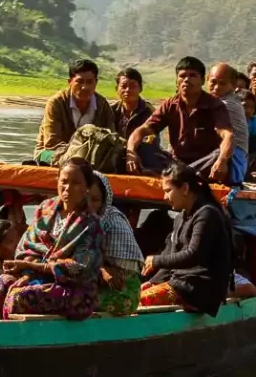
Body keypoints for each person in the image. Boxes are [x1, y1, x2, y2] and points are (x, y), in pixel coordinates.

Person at [0, 158, 103, 320]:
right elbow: (27, 246)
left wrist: (31, 266)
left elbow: (80, 268)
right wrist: (27, 275)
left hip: (75, 291)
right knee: (2, 282)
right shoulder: (44, 209)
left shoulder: (91, 224)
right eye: (64, 181)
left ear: (87, 188)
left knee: (18, 297)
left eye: (76, 183)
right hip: (37, 279)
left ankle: (10, 332)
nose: (67, 188)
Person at [139, 162, 233, 317]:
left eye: (168, 191)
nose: (165, 197)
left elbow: (193, 254)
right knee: (141, 291)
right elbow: (171, 252)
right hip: (182, 284)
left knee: (138, 301)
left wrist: (156, 261)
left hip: (199, 290)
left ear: (184, 188)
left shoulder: (207, 214)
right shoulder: (181, 217)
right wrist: (154, 281)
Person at [127, 56, 234, 183]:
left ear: (202, 80)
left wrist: (222, 160)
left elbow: (228, 135)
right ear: (177, 80)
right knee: (143, 147)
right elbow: (142, 130)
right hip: (175, 164)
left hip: (202, 165)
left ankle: (175, 179)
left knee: (218, 155)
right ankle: (180, 178)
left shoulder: (214, 105)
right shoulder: (170, 104)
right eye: (182, 76)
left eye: (192, 75)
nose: (186, 80)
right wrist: (131, 153)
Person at [34, 59, 115, 163]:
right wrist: (81, 151)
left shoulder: (102, 104)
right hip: (49, 153)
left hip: (89, 155)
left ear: (96, 83)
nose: (85, 87)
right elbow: (51, 144)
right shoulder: (56, 103)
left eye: (90, 82)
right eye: (79, 81)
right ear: (70, 82)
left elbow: (111, 138)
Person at [88, 172, 144, 315]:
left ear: (104, 202)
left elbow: (120, 278)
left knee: (77, 300)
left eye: (94, 200)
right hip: (87, 284)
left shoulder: (112, 221)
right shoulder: (63, 217)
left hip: (121, 292)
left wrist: (101, 268)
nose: (88, 205)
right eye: (84, 198)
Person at [208, 63, 249, 185]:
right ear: (207, 80)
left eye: (222, 83)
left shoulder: (227, 105)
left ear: (233, 85)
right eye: (213, 82)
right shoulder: (217, 102)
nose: (216, 87)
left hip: (232, 166)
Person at [110, 68, 155, 140]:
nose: (127, 90)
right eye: (124, 86)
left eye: (132, 86)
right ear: (116, 89)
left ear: (140, 88)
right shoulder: (110, 111)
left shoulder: (150, 111)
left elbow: (151, 141)